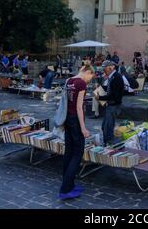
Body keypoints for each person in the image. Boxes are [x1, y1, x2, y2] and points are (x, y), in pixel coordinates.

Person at [60, 64, 95, 200]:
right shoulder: (81, 83)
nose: (89, 80)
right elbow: (79, 108)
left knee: (68, 152)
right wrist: (83, 128)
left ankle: (69, 184)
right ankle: (65, 189)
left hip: (67, 119)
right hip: (75, 120)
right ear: (87, 71)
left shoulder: (69, 81)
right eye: (90, 77)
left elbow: (65, 103)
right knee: (77, 153)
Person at [95, 60, 124, 146]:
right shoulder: (112, 76)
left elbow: (113, 95)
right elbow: (110, 88)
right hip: (112, 104)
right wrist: (100, 88)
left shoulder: (116, 77)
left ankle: (108, 143)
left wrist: (100, 97)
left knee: (107, 127)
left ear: (111, 67)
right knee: (106, 126)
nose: (104, 71)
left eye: (105, 69)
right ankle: (107, 142)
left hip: (114, 105)